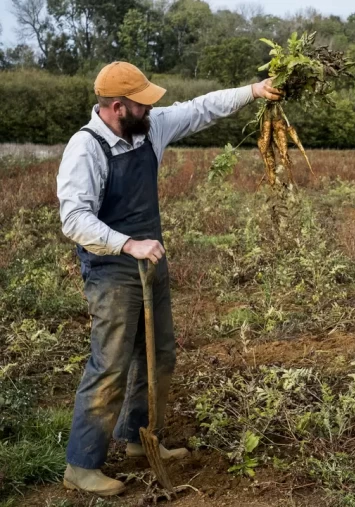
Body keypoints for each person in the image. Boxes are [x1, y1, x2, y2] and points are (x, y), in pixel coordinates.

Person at [56, 61, 282, 496]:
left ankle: (140, 439)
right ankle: (81, 465)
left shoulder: (148, 128)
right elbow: (75, 219)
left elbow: (200, 109)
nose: (152, 110)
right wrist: (128, 243)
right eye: (143, 105)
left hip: (150, 261)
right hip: (111, 268)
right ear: (118, 107)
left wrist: (253, 90)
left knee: (158, 355)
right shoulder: (85, 149)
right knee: (111, 364)